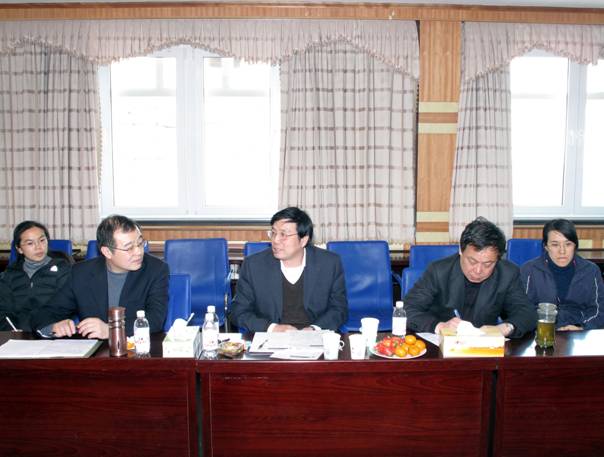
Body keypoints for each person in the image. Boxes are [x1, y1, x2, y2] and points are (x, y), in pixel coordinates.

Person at [31, 215, 168, 339]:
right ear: (107, 252)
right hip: (95, 351)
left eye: (140, 243)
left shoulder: (155, 269)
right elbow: (46, 313)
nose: (138, 251)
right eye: (129, 248)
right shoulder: (81, 273)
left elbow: (155, 319)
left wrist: (111, 330)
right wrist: (54, 327)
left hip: (137, 349)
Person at [405, 217, 536, 338]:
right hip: (442, 346)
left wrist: (505, 328)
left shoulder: (507, 274)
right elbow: (407, 309)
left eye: (488, 264)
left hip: (484, 348)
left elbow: (527, 313)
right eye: (472, 261)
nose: (478, 270)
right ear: (461, 251)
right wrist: (439, 326)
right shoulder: (439, 271)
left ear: (498, 259)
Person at [229, 207, 348, 332]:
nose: (275, 240)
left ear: (303, 240)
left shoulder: (329, 264)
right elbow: (238, 311)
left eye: (283, 234)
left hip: (314, 335)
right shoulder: (254, 265)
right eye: (273, 233)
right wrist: (272, 328)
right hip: (271, 336)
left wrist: (314, 329)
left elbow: (339, 309)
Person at [520, 219, 604, 330]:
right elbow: (522, 309)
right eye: (555, 245)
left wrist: (581, 327)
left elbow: (599, 310)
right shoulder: (529, 270)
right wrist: (547, 327)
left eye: (568, 244)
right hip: (541, 330)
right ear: (546, 246)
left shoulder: (591, 271)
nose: (562, 251)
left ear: (575, 246)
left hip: (579, 331)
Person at [0, 221, 72, 331]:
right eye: (30, 243)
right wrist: (13, 332)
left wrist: (48, 329)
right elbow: (4, 312)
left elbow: (64, 308)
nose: (38, 247)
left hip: (53, 331)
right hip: (18, 333)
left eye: (42, 240)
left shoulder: (63, 270)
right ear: (19, 249)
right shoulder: (9, 275)